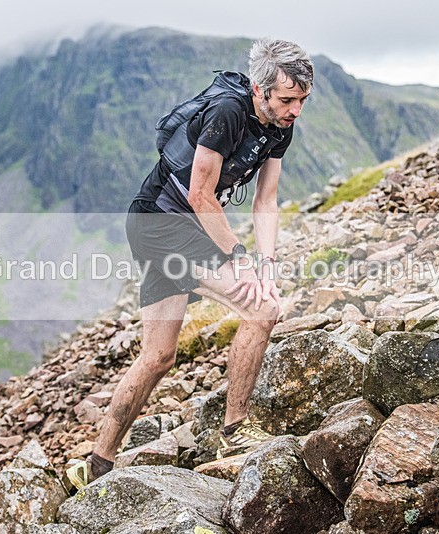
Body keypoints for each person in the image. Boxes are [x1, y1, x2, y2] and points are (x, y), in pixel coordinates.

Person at [67, 37, 313, 487]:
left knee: (158, 356)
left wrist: (269, 264)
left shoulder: (281, 125)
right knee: (261, 310)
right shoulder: (227, 112)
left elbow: (266, 200)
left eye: (302, 100)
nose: (296, 109)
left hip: (181, 228)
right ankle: (236, 432)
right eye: (287, 99)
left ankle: (96, 463)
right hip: (159, 224)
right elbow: (200, 194)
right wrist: (240, 260)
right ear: (260, 90)